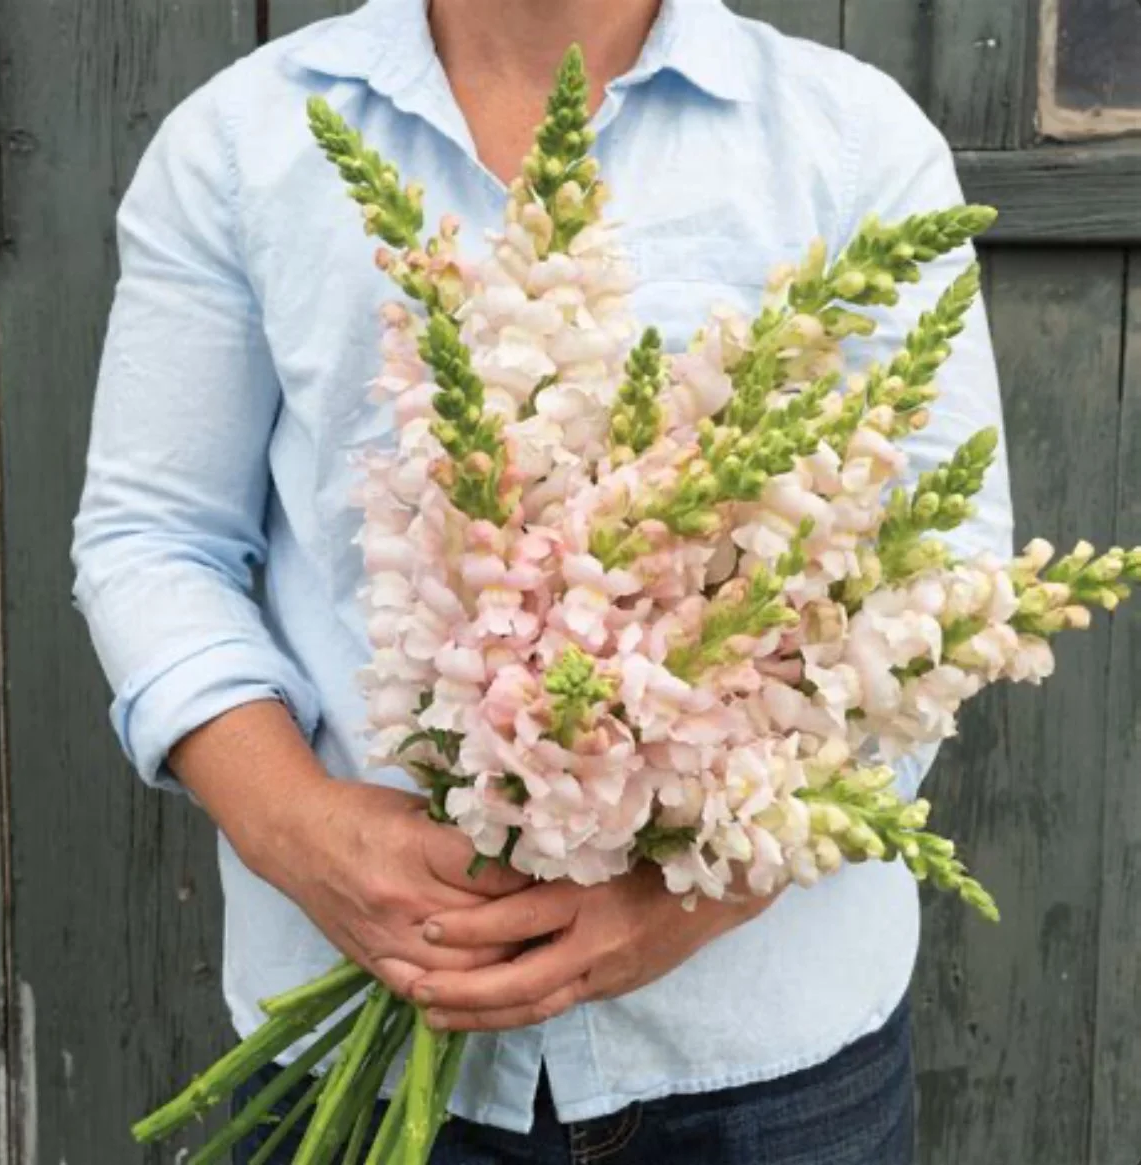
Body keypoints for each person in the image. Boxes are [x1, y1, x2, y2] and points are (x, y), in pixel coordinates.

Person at [71, 1, 1014, 1161]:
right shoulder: (245, 140)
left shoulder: (848, 138)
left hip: (764, 1066)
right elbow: (154, 539)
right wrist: (302, 829)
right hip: (354, 1032)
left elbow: (948, 593)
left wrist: (704, 887)